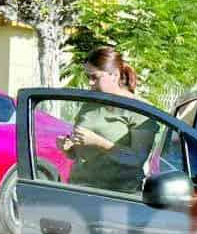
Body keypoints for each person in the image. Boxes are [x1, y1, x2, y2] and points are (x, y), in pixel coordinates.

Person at [60, 45, 159, 193]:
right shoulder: (89, 104)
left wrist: (98, 142)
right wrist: (68, 148)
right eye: (88, 77)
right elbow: (80, 155)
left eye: (95, 77)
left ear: (115, 75)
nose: (90, 83)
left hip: (118, 196)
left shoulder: (139, 110)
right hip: (79, 189)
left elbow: (137, 159)